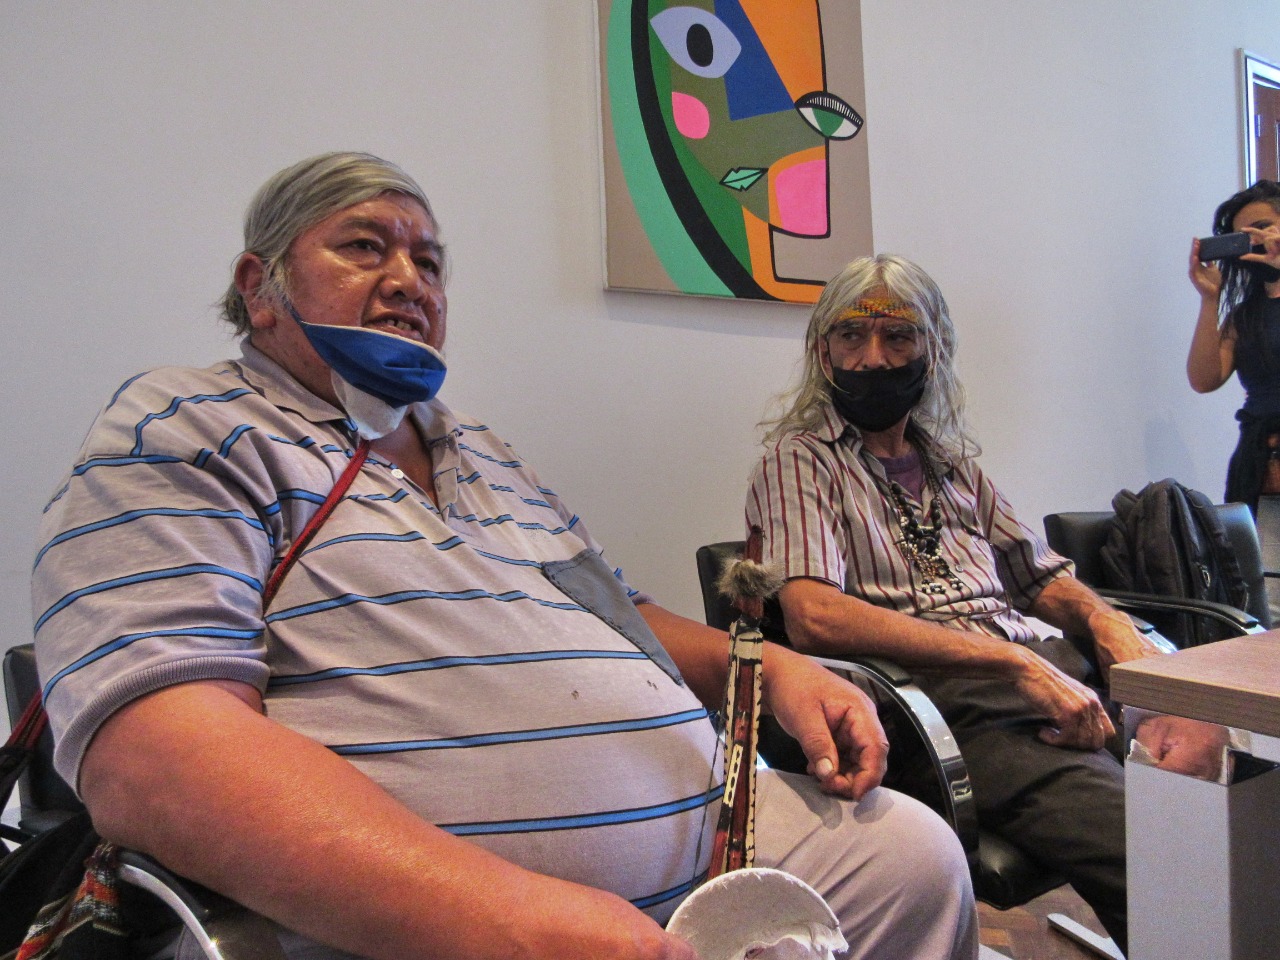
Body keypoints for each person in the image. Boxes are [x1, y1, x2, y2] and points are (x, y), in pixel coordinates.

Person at [31, 154, 977, 960]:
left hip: (708, 845)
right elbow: (154, 757)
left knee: (907, 859)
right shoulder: (188, 426)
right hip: (449, 915)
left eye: (429, 261)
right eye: (364, 246)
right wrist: (506, 918)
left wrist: (763, 665)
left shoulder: (478, 449)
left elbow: (623, 618)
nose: (408, 279)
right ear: (259, 286)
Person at [745, 254, 1232, 955]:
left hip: (1044, 669)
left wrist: (1110, 626)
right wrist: (1009, 664)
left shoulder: (953, 466)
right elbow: (814, 615)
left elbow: (1039, 575)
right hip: (943, 697)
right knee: (1162, 853)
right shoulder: (800, 461)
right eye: (851, 336)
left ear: (934, 349)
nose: (873, 358)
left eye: (898, 336)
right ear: (824, 353)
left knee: (1228, 793)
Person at [1186, 179, 1280, 513]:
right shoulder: (1244, 316)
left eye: (1263, 227)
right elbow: (1204, 379)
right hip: (1258, 468)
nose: (1254, 239)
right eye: (1242, 236)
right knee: (1260, 549)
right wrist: (1210, 299)